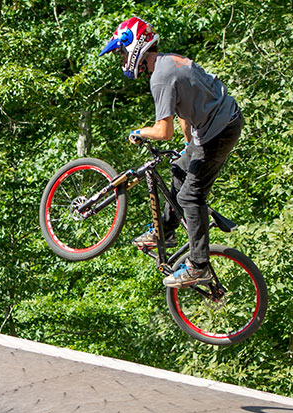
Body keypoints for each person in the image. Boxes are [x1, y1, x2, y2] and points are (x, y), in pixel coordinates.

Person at [99, 16, 243, 288]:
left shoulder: (161, 78)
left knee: (190, 196)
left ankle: (199, 265)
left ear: (134, 47)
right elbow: (184, 114)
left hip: (220, 130)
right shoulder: (169, 61)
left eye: (121, 53)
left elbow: (163, 132)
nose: (121, 60)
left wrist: (139, 132)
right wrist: (189, 146)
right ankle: (164, 232)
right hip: (218, 125)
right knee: (178, 167)